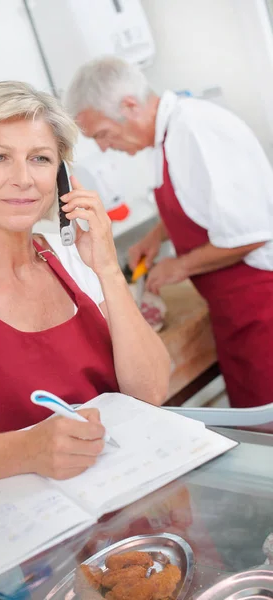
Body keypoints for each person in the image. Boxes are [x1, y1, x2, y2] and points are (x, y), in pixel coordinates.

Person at [0, 81, 170, 484]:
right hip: (35, 525)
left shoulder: (77, 261)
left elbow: (151, 391)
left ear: (62, 176)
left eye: (41, 159)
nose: (24, 178)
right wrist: (30, 450)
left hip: (131, 483)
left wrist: (108, 269)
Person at [65, 56, 273, 410]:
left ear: (129, 106)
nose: (103, 147)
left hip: (260, 308)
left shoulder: (195, 130)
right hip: (232, 313)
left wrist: (179, 266)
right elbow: (204, 203)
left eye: (102, 134)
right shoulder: (167, 136)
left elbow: (252, 233)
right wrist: (155, 237)